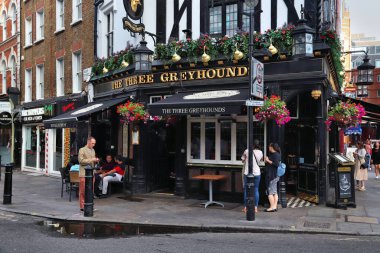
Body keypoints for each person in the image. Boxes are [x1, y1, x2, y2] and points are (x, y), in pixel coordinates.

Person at [241, 139, 263, 213]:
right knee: (256, 189)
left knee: (246, 190)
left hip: (247, 173)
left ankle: (245, 207)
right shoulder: (261, 152)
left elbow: (242, 160)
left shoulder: (247, 151)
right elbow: (259, 161)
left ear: (252, 144)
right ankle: (255, 207)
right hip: (257, 173)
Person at [78, 137, 99, 211]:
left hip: (91, 173)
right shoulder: (82, 150)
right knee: (83, 191)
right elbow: (81, 161)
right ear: (88, 142)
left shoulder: (93, 150)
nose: (94, 145)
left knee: (90, 191)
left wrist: (95, 161)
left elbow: (92, 161)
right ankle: (82, 207)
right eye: (93, 143)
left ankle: (90, 205)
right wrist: (92, 159)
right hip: (83, 173)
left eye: (94, 143)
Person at [264, 143, 281, 212]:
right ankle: (274, 206)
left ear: (272, 147)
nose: (268, 148)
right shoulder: (277, 154)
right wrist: (267, 160)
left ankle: (272, 207)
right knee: (274, 192)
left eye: (269, 147)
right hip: (275, 175)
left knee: (270, 192)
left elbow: (276, 164)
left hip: (272, 176)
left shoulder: (275, 155)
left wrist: (268, 160)